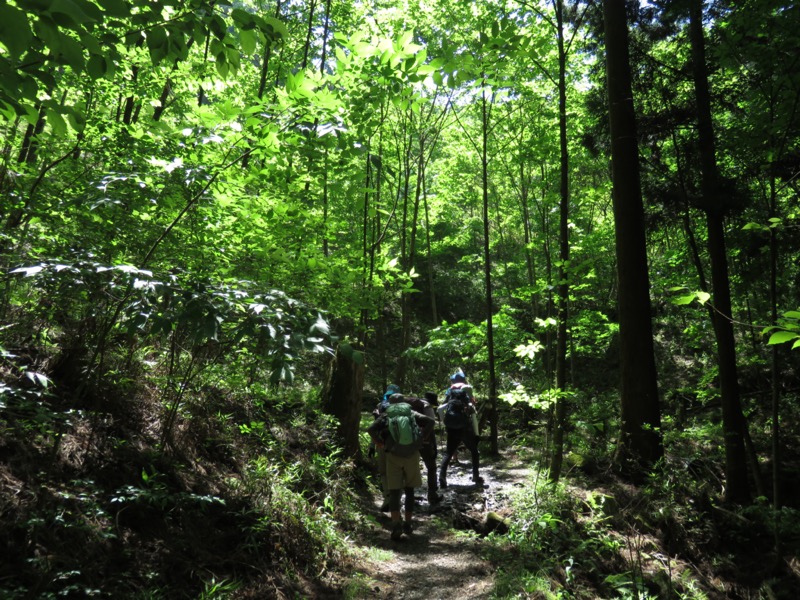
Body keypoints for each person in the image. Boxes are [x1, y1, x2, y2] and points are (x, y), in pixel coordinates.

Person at [368, 393, 435, 540]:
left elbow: (371, 429)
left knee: (394, 491)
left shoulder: (386, 414)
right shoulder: (411, 412)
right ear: (403, 402)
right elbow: (430, 421)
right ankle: (408, 523)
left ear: (391, 403)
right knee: (410, 490)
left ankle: (396, 523)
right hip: (412, 455)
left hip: (393, 456)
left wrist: (380, 442)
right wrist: (423, 438)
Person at [438, 369, 483, 488]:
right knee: (474, 451)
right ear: (463, 379)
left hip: (451, 426)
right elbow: (473, 411)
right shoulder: (467, 388)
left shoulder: (450, 390)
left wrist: (445, 423)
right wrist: (477, 434)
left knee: (448, 452)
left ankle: (442, 477)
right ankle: (475, 476)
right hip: (465, 427)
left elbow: (442, 407)